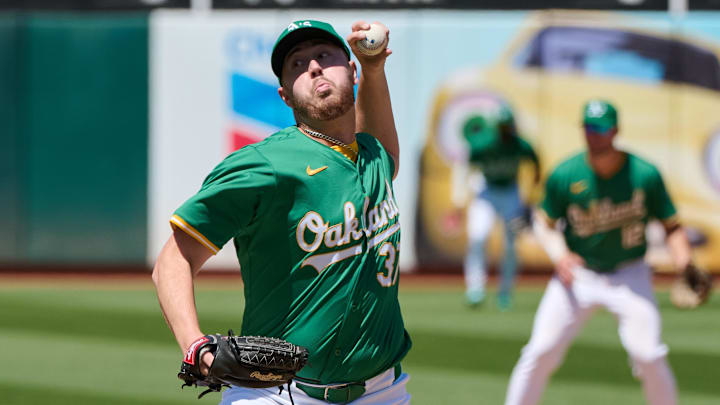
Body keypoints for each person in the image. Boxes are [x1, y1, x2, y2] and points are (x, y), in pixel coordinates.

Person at [152, 19, 412, 405]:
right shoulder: (265, 165)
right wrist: (194, 345)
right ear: (285, 97)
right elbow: (174, 259)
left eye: (324, 55)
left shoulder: (372, 157)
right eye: (297, 65)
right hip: (281, 395)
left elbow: (386, 152)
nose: (313, 67)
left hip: (384, 391)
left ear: (351, 70)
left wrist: (375, 70)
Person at [504, 99, 691, 405]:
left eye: (602, 127)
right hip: (579, 276)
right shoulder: (566, 173)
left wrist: (685, 263)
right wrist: (559, 254)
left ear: (615, 130)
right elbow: (543, 222)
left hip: (630, 275)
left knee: (649, 355)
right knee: (539, 352)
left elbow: (672, 225)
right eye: (589, 127)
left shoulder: (644, 174)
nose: (595, 134)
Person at [450, 104, 540, 310]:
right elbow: (463, 166)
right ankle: (475, 289)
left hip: (510, 191)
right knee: (478, 237)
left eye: (508, 126)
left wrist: (531, 194)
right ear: (495, 127)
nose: (506, 130)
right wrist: (459, 200)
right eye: (502, 127)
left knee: (510, 245)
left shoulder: (520, 145)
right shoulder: (483, 144)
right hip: (486, 190)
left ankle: (505, 292)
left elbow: (536, 163)